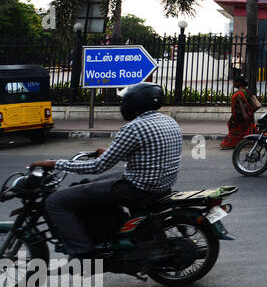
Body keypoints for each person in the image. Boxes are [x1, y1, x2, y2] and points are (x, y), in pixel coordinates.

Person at [31, 82, 183, 257]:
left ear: (134, 103)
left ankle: (83, 252)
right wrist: (112, 154)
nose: (123, 105)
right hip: (160, 183)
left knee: (56, 201)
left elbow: (99, 166)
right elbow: (150, 152)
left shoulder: (134, 128)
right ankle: (112, 228)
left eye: (125, 101)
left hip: (137, 187)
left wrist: (56, 163)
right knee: (89, 185)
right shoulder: (169, 121)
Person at [220, 73, 259, 149]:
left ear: (238, 83)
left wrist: (244, 115)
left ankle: (231, 144)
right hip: (249, 114)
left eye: (234, 82)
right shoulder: (247, 91)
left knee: (236, 131)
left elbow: (241, 105)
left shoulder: (239, 93)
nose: (233, 84)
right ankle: (246, 142)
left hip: (240, 116)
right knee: (246, 130)